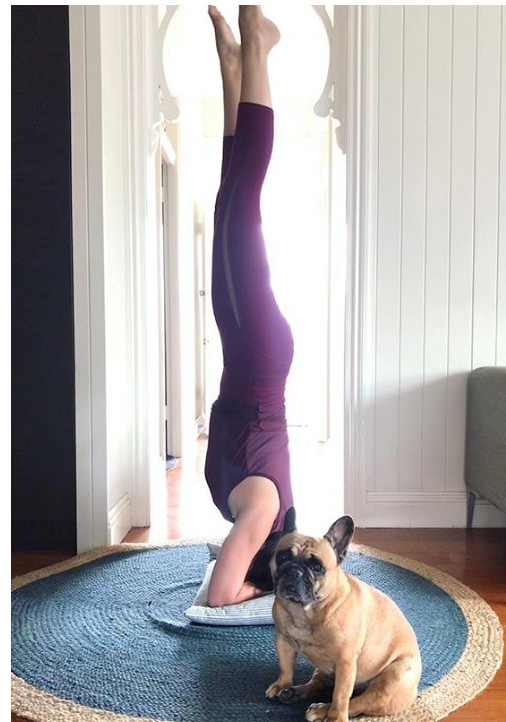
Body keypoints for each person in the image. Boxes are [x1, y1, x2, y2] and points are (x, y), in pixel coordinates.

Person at [203, 5, 295, 607]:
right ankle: (257, 48)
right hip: (258, 360)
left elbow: (223, 574)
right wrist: (257, 591)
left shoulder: (256, 512)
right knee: (242, 210)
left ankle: (235, 71)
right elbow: (217, 596)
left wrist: (253, 573)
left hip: (249, 356)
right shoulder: (259, 509)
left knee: (227, 205)